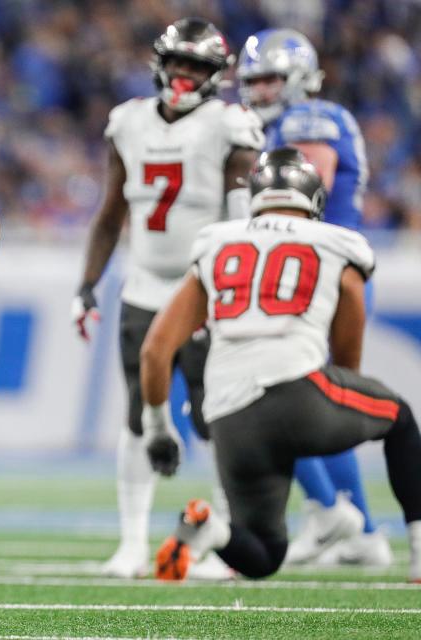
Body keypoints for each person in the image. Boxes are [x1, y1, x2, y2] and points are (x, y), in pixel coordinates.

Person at [143, 148, 421, 583]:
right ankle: (420, 553)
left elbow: (156, 349)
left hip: (229, 415)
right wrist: (339, 391)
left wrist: (159, 428)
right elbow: (348, 348)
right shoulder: (338, 241)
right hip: (297, 389)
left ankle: (210, 530)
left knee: (264, 555)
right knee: (401, 420)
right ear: (314, 199)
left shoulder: (217, 241)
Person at [72, 17, 263, 579]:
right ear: (161, 63)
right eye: (179, 62)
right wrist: (87, 284)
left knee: (216, 416)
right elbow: (111, 213)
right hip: (144, 285)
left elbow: (240, 217)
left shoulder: (229, 125)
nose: (185, 75)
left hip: (206, 289)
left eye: (198, 66)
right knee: (136, 414)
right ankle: (132, 543)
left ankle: (224, 542)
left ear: (216, 75)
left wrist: (233, 289)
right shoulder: (127, 123)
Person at [237, 28, 388, 567]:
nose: (261, 89)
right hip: (316, 269)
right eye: (253, 79)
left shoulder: (309, 119)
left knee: (265, 391)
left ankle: (330, 511)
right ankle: (360, 530)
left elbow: (301, 190)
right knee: (302, 400)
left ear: (300, 77)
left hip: (318, 271)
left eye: (272, 78)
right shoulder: (280, 122)